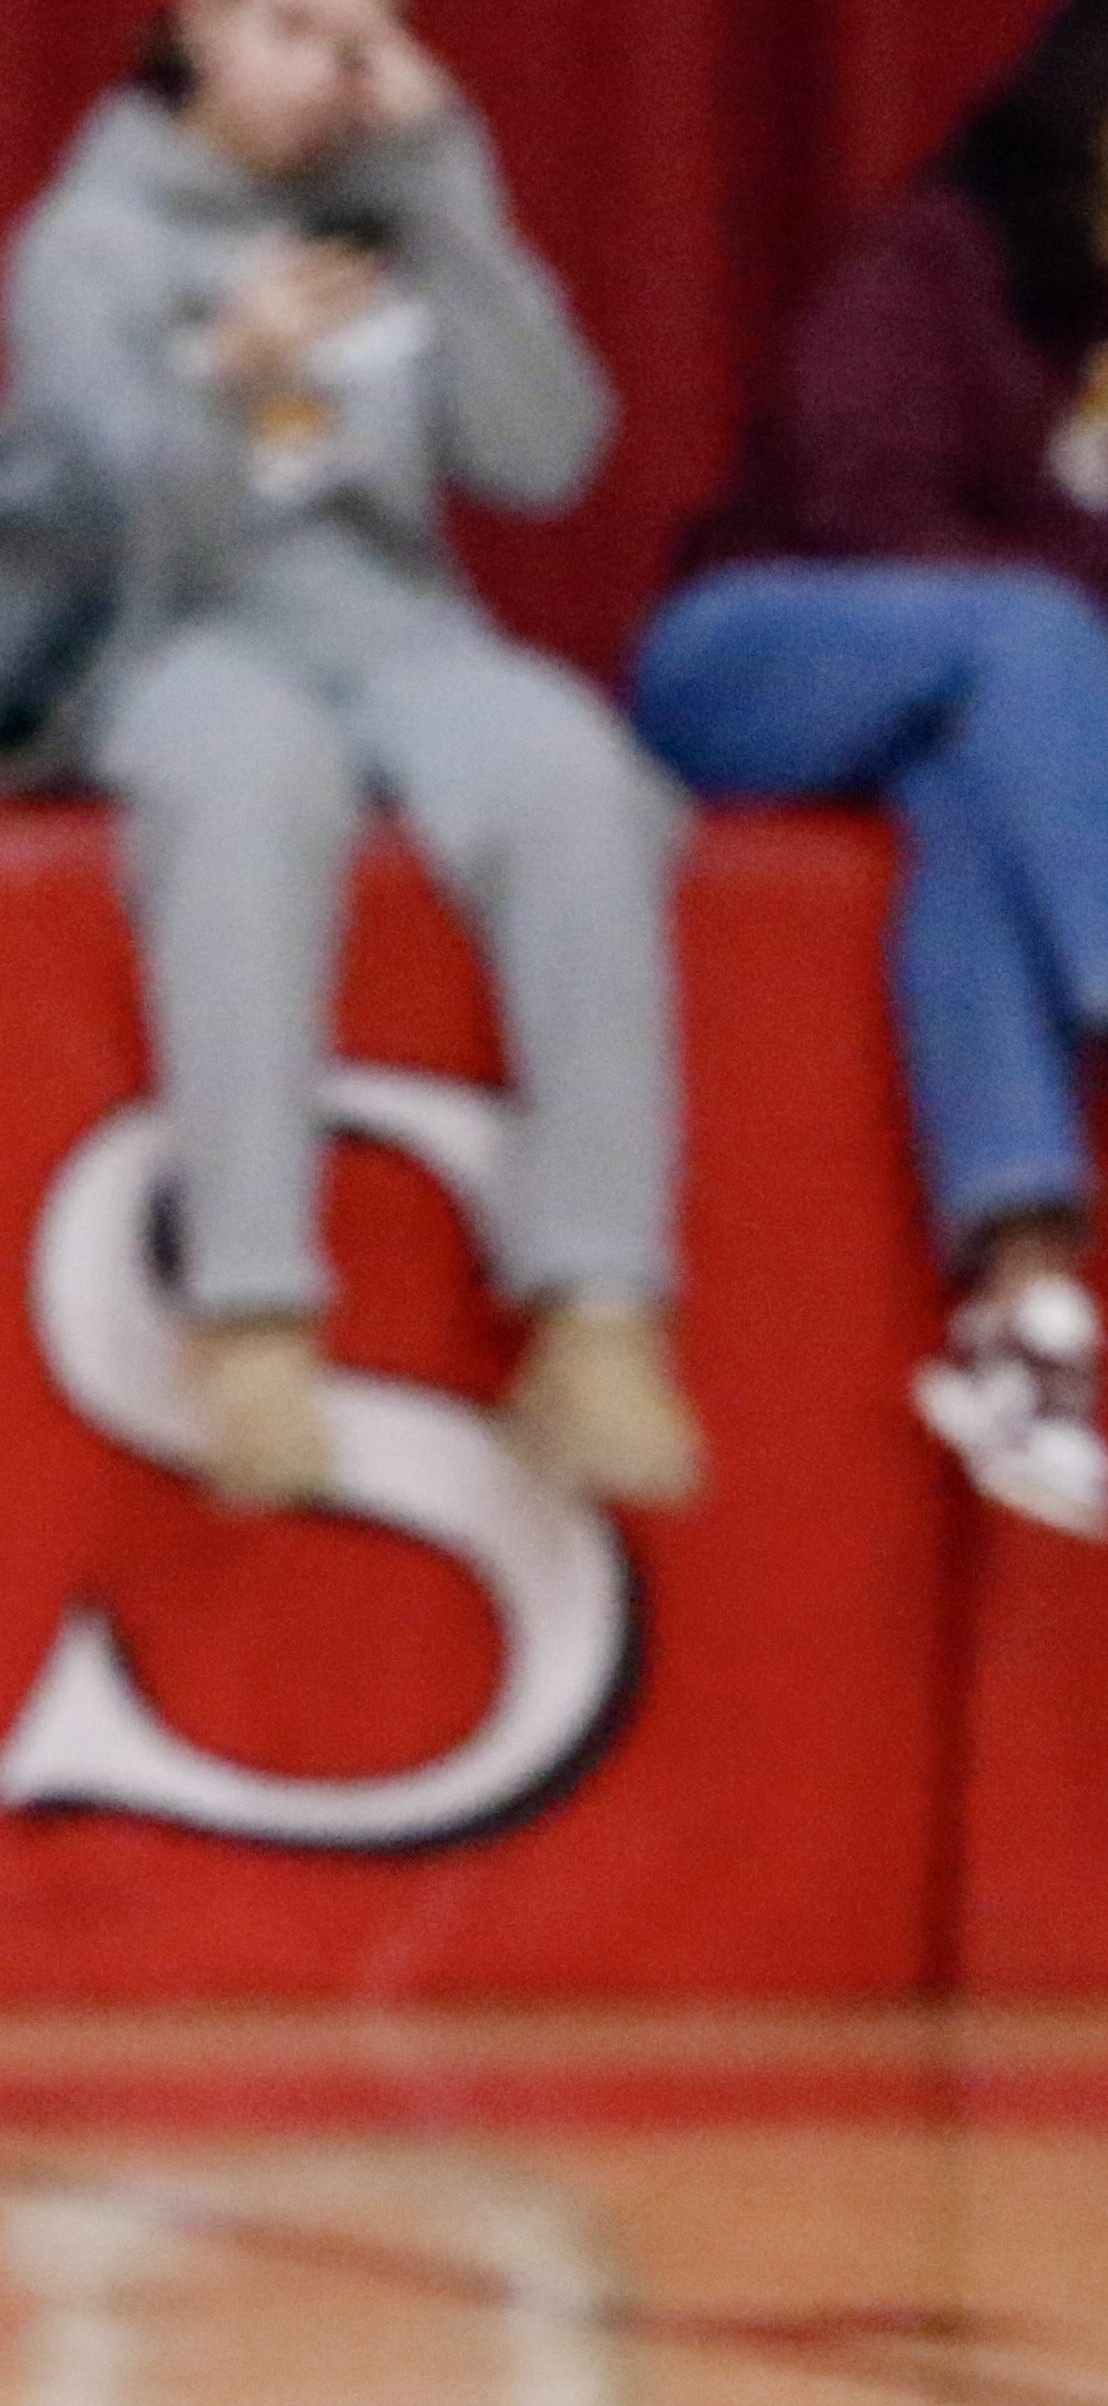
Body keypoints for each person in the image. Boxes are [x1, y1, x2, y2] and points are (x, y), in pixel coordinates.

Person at [6, 0, 704, 1514]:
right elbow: (92, 539)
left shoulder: (397, 221)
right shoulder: (89, 242)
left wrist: (449, 188)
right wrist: (225, 382)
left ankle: (597, 1306)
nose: (325, 71)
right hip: (183, 629)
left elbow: (542, 453)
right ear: (191, 33)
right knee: (247, 789)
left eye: (355, 36)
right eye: (286, 29)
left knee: (568, 774)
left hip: (398, 628)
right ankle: (251, 1314)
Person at [637, 1, 1108, 1538]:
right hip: (750, 659)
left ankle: (1022, 1306)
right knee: (1023, 644)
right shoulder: (937, 261)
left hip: (970, 725)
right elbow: (854, 495)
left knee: (971, 813)